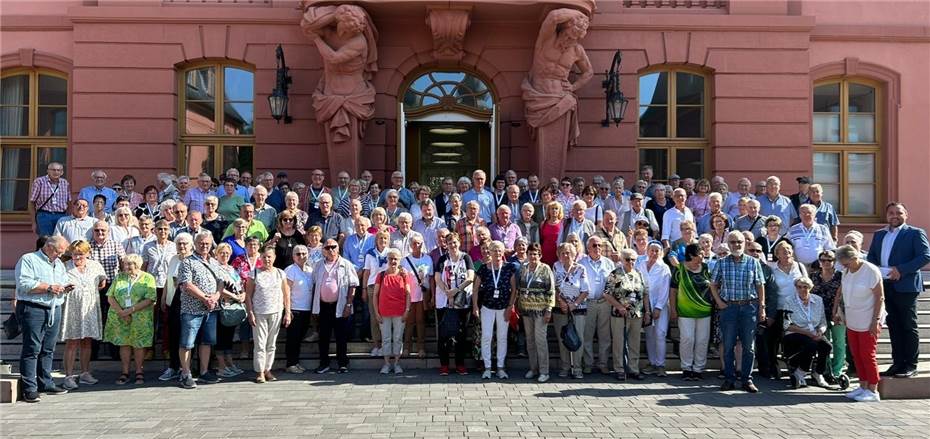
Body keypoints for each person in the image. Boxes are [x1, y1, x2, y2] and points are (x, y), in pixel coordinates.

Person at [866, 202, 930, 378]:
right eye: (891, 213)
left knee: (908, 325)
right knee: (893, 325)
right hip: (885, 285)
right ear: (887, 216)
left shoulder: (915, 233)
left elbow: (925, 255)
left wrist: (900, 270)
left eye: (898, 213)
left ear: (906, 215)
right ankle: (898, 363)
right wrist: (875, 270)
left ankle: (910, 364)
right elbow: (871, 257)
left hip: (906, 285)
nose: (895, 216)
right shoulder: (879, 235)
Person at [14, 236, 71, 402]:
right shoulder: (29, 259)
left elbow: (62, 281)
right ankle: (29, 388)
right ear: (48, 247)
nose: (60, 256)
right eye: (58, 252)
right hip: (33, 308)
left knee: (48, 348)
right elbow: (24, 284)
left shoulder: (58, 263)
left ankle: (45, 382)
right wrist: (49, 287)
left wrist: (66, 287)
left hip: (54, 308)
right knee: (32, 348)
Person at [710, 231, 766, 393]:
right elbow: (713, 284)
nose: (736, 245)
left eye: (739, 242)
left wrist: (762, 307)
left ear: (745, 244)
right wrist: (719, 302)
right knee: (728, 346)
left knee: (749, 347)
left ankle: (747, 380)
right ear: (728, 244)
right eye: (733, 242)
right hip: (729, 309)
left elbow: (760, 285)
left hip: (749, 308)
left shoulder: (752, 262)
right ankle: (729, 378)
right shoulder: (721, 263)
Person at [837, 245, 884, 402]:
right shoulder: (846, 271)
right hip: (853, 318)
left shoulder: (870, 271)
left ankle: (873, 389)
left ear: (855, 258)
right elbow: (843, 292)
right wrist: (839, 311)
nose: (844, 266)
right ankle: (863, 385)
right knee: (856, 354)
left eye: (846, 263)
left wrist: (875, 320)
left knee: (867, 354)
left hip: (869, 318)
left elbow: (879, 297)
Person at [176, 232, 223, 389]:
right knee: (187, 343)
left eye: (207, 243)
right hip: (192, 309)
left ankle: (203, 371)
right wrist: (205, 298)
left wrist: (216, 296)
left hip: (210, 309)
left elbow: (220, 282)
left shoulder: (214, 262)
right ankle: (186, 373)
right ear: (195, 244)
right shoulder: (187, 262)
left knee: (206, 342)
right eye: (201, 243)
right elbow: (186, 284)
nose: (204, 246)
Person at [60, 240, 107, 390]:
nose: (77, 257)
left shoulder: (96, 266)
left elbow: (102, 284)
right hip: (72, 307)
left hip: (90, 307)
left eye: (80, 254)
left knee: (87, 340)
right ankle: (68, 375)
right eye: (74, 254)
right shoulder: (65, 267)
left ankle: (85, 372)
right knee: (72, 342)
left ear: (88, 253)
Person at [103, 253, 157, 385]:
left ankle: (139, 372)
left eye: (129, 264)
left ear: (137, 265)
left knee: (139, 344)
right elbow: (110, 296)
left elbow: (150, 298)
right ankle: (125, 372)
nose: (126, 266)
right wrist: (122, 312)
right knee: (124, 344)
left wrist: (130, 310)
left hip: (140, 318)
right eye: (125, 264)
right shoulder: (119, 277)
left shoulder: (148, 278)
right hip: (119, 317)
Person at [311, 239, 360, 374]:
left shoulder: (346, 264)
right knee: (323, 337)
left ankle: (342, 363)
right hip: (323, 306)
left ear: (338, 249)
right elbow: (315, 284)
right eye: (328, 247)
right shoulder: (318, 265)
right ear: (323, 250)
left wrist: (349, 304)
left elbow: (353, 285)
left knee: (341, 336)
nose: (331, 250)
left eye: (334, 247)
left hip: (341, 305)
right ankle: (324, 363)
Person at [472, 241, 519, 379]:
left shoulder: (509, 268)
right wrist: (475, 306)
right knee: (486, 336)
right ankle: (487, 367)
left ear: (503, 252)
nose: (497, 253)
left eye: (499, 250)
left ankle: (500, 367)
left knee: (502, 337)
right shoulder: (483, 268)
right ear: (489, 252)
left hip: (503, 308)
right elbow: (475, 289)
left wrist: (510, 307)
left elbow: (514, 289)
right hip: (487, 307)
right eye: (494, 250)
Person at [245, 246, 292, 383]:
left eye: (269, 257)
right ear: (260, 258)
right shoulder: (254, 273)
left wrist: (287, 312)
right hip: (259, 312)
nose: (267, 259)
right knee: (260, 344)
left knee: (271, 344)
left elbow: (286, 294)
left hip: (276, 311)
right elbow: (248, 295)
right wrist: (250, 312)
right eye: (264, 257)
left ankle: (267, 369)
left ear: (274, 257)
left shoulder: (280, 273)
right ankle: (259, 371)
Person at [669, 244, 713, 380]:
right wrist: (673, 310)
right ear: (692, 255)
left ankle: (698, 369)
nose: (703, 254)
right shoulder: (679, 269)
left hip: (705, 310)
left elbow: (712, 286)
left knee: (702, 340)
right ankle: (686, 368)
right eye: (700, 252)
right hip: (685, 311)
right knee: (687, 339)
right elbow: (673, 291)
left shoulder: (706, 268)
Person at [434, 232, 475, 376]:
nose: (452, 245)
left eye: (455, 242)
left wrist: (456, 291)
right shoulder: (442, 259)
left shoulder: (466, 258)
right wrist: (448, 293)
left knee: (461, 334)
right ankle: (444, 365)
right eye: (450, 242)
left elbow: (470, 278)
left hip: (463, 301)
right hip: (444, 302)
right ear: (446, 244)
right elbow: (437, 279)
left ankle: (460, 364)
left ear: (459, 242)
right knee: (444, 335)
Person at [603, 248, 648, 381]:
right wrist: (618, 306)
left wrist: (648, 311)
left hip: (636, 313)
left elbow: (644, 293)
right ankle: (620, 369)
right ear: (622, 260)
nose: (630, 262)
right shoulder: (615, 274)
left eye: (633, 259)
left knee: (635, 342)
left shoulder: (638, 273)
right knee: (619, 342)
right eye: (627, 259)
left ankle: (633, 368)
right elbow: (606, 293)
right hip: (620, 314)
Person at [158, 233, 193, 382]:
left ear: (191, 245)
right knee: (173, 336)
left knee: (185, 338)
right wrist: (164, 297)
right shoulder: (173, 259)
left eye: (185, 243)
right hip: (173, 302)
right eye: (179, 243)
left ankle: (184, 368)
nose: (182, 246)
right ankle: (173, 366)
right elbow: (168, 280)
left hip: (188, 304)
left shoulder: (193, 260)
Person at [578, 236, 614, 375]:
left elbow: (612, 283)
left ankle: (603, 363)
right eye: (594, 245)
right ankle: (588, 364)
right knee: (587, 334)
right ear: (588, 248)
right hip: (588, 302)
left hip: (604, 302)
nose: (597, 248)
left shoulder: (609, 263)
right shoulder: (581, 263)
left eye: (599, 245)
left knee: (604, 335)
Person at [372, 248, 411, 374]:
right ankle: (387, 363)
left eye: (396, 258)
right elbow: (375, 295)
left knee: (398, 338)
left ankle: (397, 363)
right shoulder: (381, 275)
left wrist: (407, 310)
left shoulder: (404, 275)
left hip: (400, 312)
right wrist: (376, 312)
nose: (393, 261)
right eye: (391, 258)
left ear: (400, 260)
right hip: (384, 312)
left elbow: (408, 294)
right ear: (387, 260)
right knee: (386, 338)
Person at [811, 250, 845, 383]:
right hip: (819, 315)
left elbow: (843, 295)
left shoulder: (841, 276)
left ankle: (837, 371)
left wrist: (837, 312)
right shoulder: (813, 276)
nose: (826, 263)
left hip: (837, 314)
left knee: (839, 342)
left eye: (829, 260)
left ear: (834, 262)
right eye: (823, 260)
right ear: (819, 262)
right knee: (825, 343)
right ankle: (826, 371)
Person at [637, 241, 671, 377]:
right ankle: (652, 363)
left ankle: (660, 365)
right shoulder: (640, 265)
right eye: (652, 250)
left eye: (657, 251)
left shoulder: (664, 268)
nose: (654, 253)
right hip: (645, 306)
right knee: (649, 335)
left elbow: (665, 290)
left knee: (660, 334)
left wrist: (658, 308)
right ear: (647, 251)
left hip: (660, 306)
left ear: (661, 253)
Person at [213, 242, 245, 378]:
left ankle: (230, 363)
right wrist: (233, 296)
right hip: (222, 306)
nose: (225, 255)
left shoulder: (232, 269)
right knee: (221, 337)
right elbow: (218, 287)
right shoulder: (215, 268)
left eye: (227, 253)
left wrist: (242, 294)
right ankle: (221, 366)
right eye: (222, 253)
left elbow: (239, 284)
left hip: (233, 306)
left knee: (228, 337)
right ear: (217, 254)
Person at [284, 246, 313, 374]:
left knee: (299, 337)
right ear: (293, 256)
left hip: (306, 309)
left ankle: (296, 362)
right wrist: (287, 310)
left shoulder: (310, 270)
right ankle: (290, 364)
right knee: (293, 338)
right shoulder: (290, 270)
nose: (301, 256)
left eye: (304, 253)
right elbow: (286, 292)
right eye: (298, 254)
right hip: (295, 309)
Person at [402, 235, 432, 357]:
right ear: (410, 245)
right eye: (414, 243)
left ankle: (421, 348)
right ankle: (406, 347)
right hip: (409, 294)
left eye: (419, 243)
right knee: (409, 322)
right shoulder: (405, 260)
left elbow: (431, 278)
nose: (417, 246)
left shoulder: (428, 259)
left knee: (420, 321)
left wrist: (432, 296)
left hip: (423, 294)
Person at [31, 161, 71, 236]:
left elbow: (69, 202)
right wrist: (33, 222)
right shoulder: (39, 182)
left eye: (58, 170)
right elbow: (32, 202)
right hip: (44, 215)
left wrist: (68, 217)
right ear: (48, 171)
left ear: (62, 172)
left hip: (61, 216)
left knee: (60, 240)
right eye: (53, 170)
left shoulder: (65, 183)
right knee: (46, 241)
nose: (56, 172)